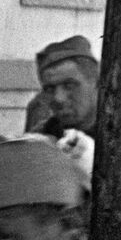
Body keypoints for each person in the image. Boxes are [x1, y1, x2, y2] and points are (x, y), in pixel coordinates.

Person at [34, 35, 99, 178]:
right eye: (50, 89)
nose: (58, 98)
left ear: (97, 84)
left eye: (69, 85)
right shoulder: (43, 136)